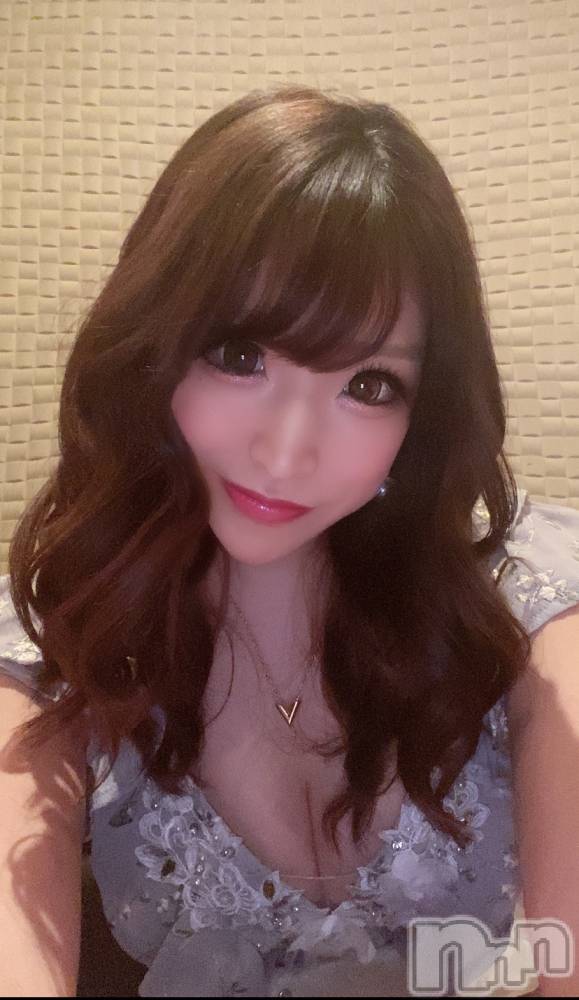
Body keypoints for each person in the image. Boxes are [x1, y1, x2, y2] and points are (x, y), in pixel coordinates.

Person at [1, 83, 579, 997]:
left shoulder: (523, 601)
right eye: (240, 356)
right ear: (151, 348)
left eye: (369, 385)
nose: (285, 452)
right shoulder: (61, 637)